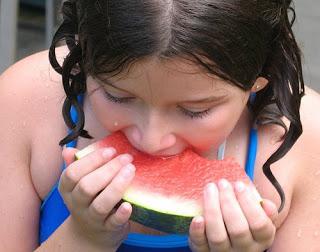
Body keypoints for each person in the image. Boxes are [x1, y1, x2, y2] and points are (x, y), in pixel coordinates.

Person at [1, 0, 320, 251]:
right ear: (84, 55)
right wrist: (83, 238)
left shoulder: (303, 141)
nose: (151, 140)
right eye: (117, 96)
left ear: (256, 82)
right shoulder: (24, 101)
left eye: (196, 111)